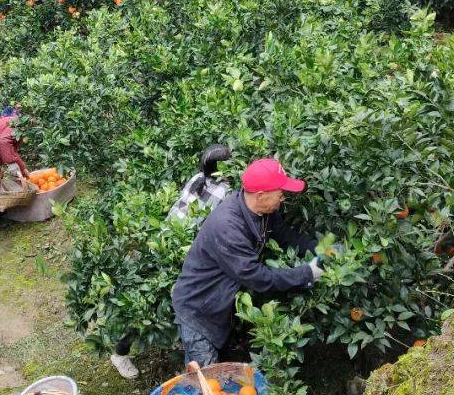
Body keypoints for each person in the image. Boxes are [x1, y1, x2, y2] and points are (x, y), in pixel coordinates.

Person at [170, 158, 324, 369]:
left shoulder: (263, 211)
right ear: (261, 195)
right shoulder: (227, 226)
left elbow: (287, 236)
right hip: (199, 310)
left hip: (221, 303)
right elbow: (257, 277)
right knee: (207, 380)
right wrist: (307, 273)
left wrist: (322, 249)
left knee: (222, 374)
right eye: (280, 192)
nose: (283, 197)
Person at [109, 144, 232, 380]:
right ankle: (121, 352)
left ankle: (128, 352)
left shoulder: (198, 177)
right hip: (180, 251)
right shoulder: (225, 191)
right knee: (156, 305)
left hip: (164, 240)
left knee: (146, 303)